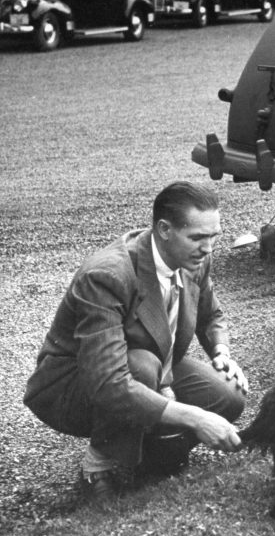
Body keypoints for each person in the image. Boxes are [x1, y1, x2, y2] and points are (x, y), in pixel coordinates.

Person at [24, 182, 248, 501]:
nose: (208, 248)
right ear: (164, 229)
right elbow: (109, 383)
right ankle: (97, 466)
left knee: (227, 398)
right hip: (75, 385)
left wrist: (221, 351)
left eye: (214, 237)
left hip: (152, 367)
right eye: (198, 237)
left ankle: (150, 448)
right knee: (142, 366)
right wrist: (195, 417)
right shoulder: (107, 276)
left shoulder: (195, 258)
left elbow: (211, 315)